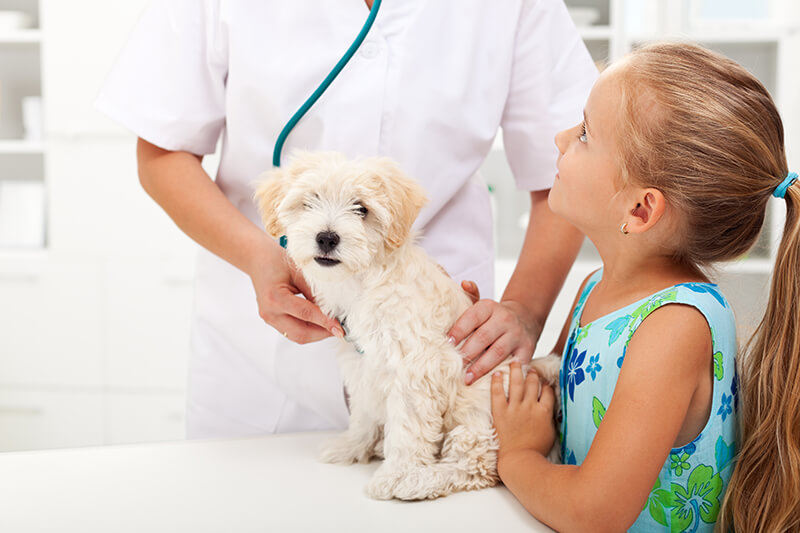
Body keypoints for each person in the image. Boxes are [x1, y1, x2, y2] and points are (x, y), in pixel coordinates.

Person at [94, 0, 597, 437]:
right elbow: (163, 153)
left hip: (438, 336)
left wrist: (526, 310)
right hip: (259, 361)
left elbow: (569, 167)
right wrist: (259, 257)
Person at [490, 42, 799, 532]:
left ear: (640, 210)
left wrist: (519, 455)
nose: (560, 137)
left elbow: (593, 514)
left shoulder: (674, 326)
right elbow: (546, 409)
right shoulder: (593, 290)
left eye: (586, 133)